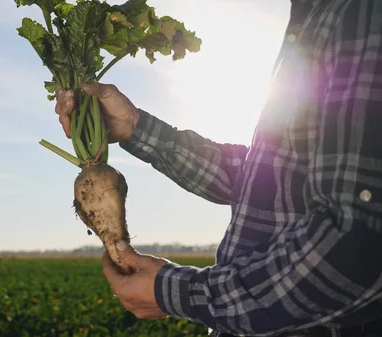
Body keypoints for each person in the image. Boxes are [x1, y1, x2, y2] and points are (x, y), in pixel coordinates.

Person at [54, 0, 382, 336]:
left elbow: (356, 246)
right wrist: (134, 126)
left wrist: (179, 293)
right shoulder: (315, 16)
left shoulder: (360, 14)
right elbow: (268, 177)